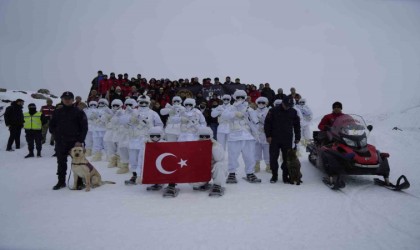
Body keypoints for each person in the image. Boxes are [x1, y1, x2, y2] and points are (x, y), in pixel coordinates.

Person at [49, 91, 88, 190]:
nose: (67, 100)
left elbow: (84, 127)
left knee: (78, 162)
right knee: (61, 162)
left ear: (72, 100)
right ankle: (61, 181)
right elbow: (51, 125)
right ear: (62, 99)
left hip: (75, 143)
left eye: (69, 99)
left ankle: (79, 182)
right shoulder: (57, 112)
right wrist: (56, 136)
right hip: (61, 142)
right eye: (65, 99)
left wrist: (80, 140)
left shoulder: (79, 112)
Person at [221, 90, 261, 184]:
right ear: (235, 98)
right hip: (234, 136)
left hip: (247, 136)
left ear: (245, 98)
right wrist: (234, 114)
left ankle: (250, 173)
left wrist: (256, 133)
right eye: (238, 97)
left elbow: (255, 122)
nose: (240, 99)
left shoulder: (249, 108)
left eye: (242, 97)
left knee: (250, 156)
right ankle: (232, 173)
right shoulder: (231, 108)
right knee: (232, 156)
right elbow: (224, 116)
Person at [125, 95, 163, 185]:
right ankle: (134, 176)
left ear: (148, 103)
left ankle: (147, 175)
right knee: (133, 159)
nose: (143, 104)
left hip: (146, 140)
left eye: (145, 102)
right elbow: (124, 123)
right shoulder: (133, 112)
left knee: (145, 159)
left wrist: (151, 128)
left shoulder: (153, 113)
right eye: (141, 102)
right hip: (133, 139)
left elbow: (160, 125)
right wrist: (130, 120)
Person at [264, 96, 301, 184]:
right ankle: (274, 175)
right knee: (273, 158)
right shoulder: (273, 110)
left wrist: (297, 137)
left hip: (287, 138)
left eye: (290, 105)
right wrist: (268, 136)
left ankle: (285, 176)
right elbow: (267, 124)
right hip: (274, 138)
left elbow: (297, 126)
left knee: (287, 159)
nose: (288, 107)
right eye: (286, 105)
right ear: (282, 103)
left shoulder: (293, 112)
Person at [253, 97, 271, 173]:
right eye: (259, 102)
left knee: (267, 151)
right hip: (257, 133)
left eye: (263, 103)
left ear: (266, 103)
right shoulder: (253, 111)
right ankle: (257, 165)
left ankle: (268, 165)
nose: (261, 104)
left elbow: (270, 122)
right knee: (256, 150)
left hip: (266, 133)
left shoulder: (269, 111)